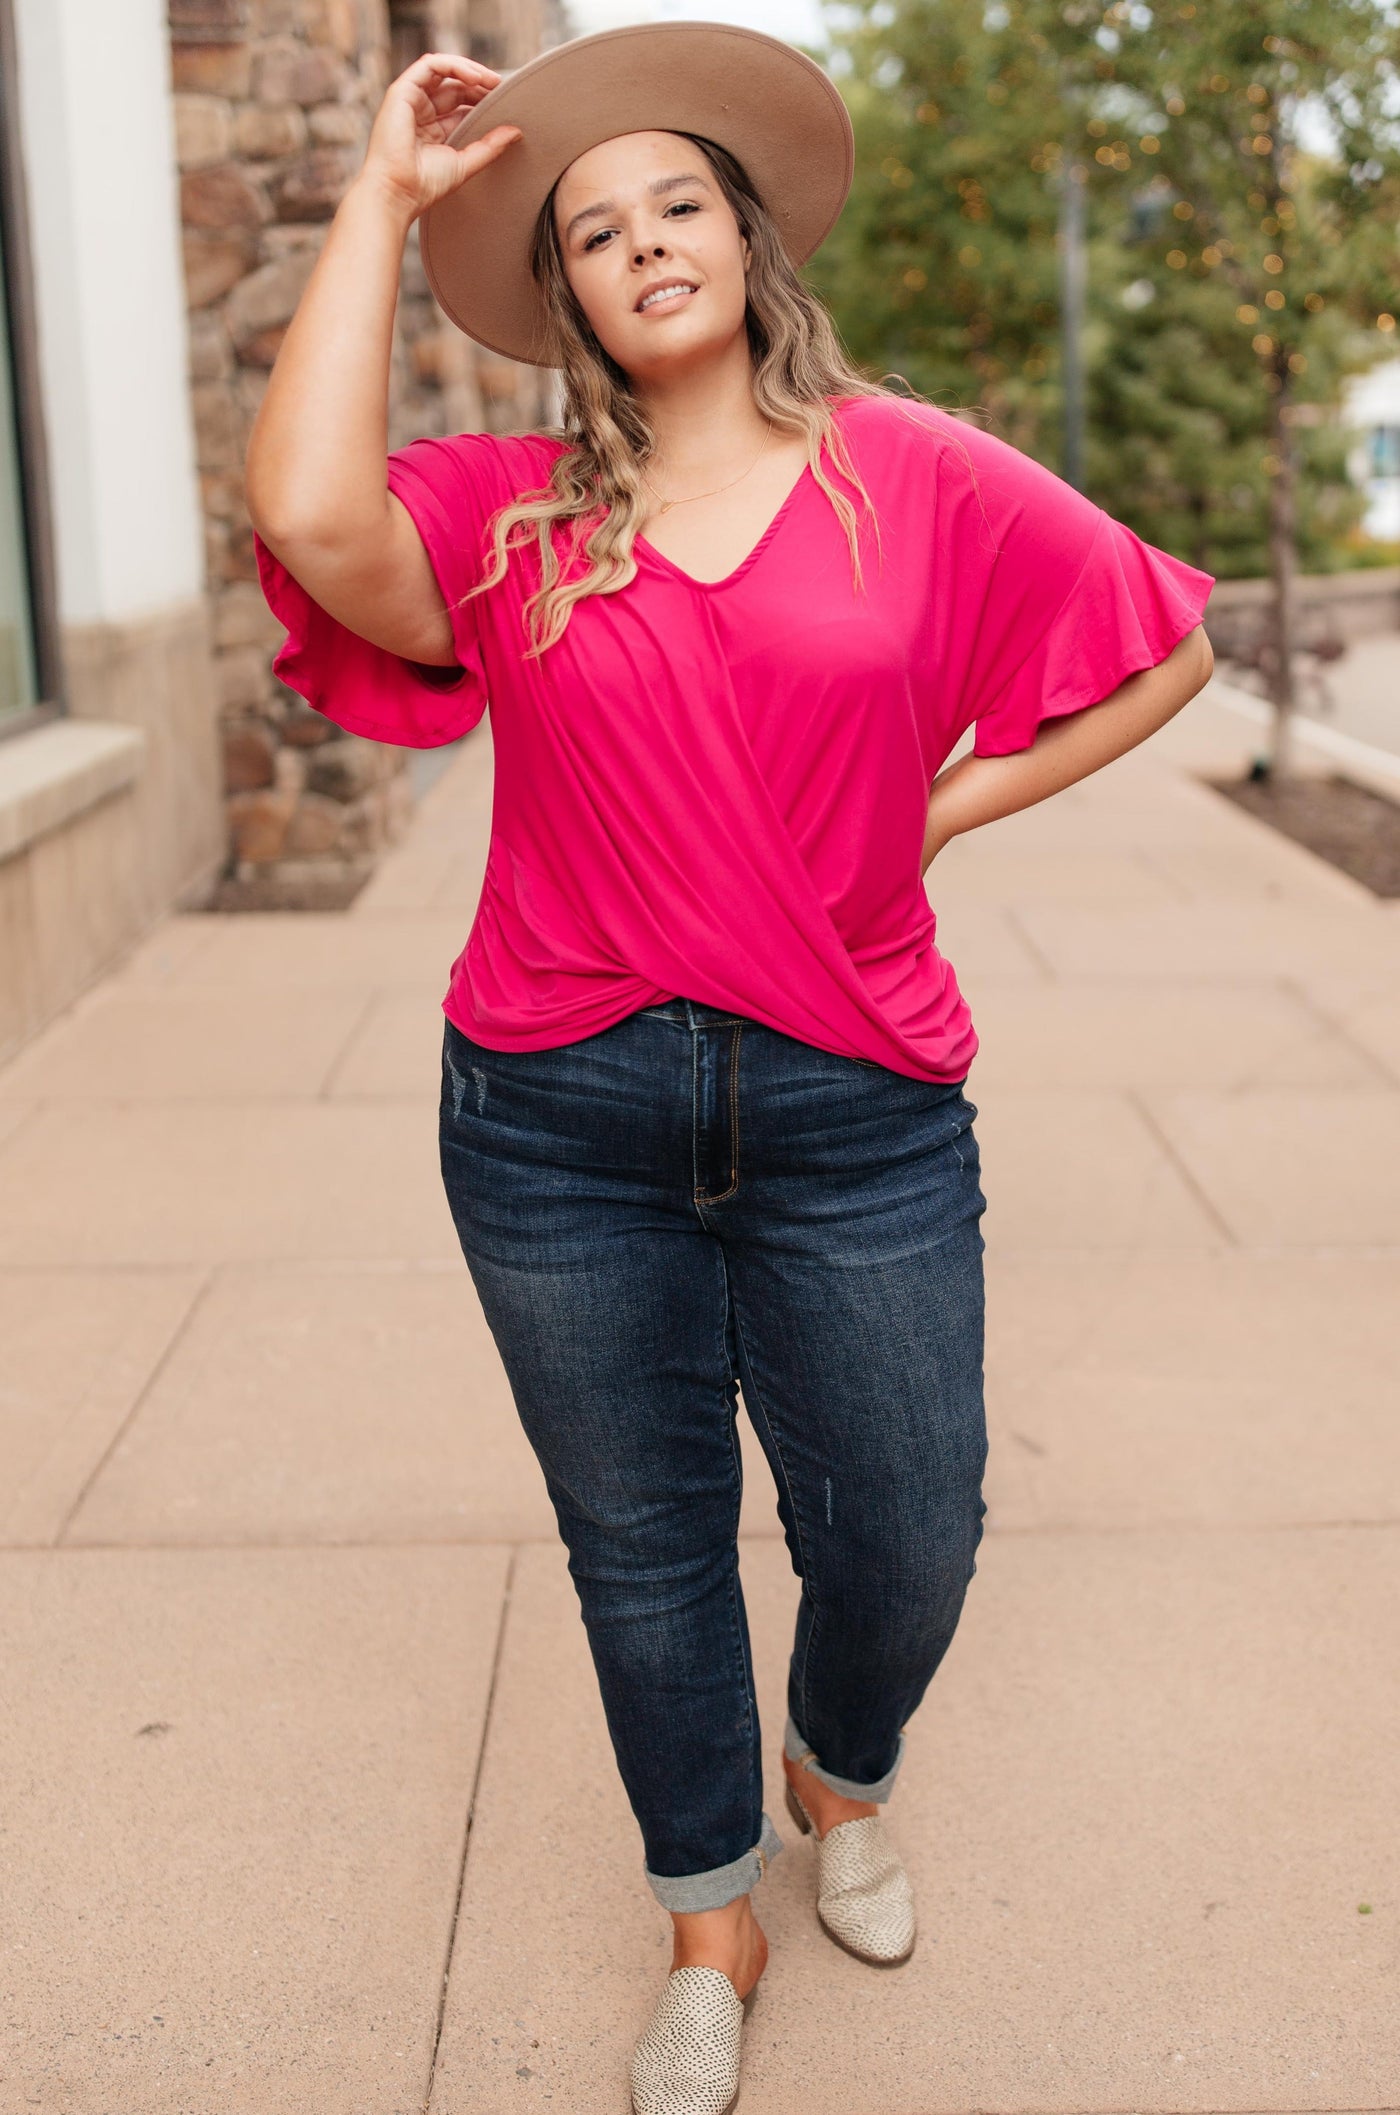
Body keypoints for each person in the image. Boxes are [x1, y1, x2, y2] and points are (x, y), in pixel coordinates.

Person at [245, 24, 1215, 2113]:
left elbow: (1167, 643)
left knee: (907, 1526)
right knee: (645, 1541)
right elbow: (310, 512)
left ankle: (834, 1770)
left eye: (677, 201)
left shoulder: (916, 469)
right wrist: (380, 201)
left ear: (747, 238)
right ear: (570, 298)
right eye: (594, 230)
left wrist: (954, 809)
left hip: (852, 1104)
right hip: (555, 1118)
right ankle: (710, 1917)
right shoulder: (505, 519)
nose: (643, 242)